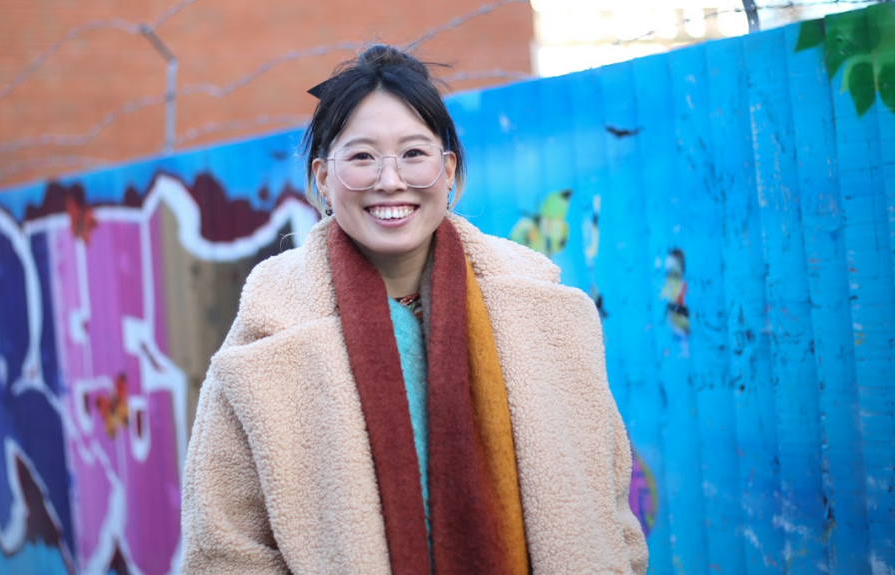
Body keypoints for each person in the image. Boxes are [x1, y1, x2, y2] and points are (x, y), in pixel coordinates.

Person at [181, 44, 648, 575]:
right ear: (322, 179)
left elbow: (610, 516)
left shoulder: (546, 315)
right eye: (360, 157)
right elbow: (223, 549)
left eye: (413, 153)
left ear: (449, 171)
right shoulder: (266, 344)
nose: (390, 180)